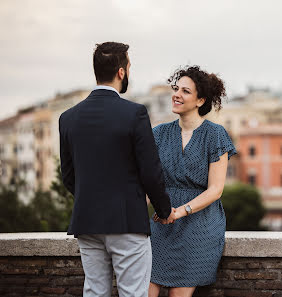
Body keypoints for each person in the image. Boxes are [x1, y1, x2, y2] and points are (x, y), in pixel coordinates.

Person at [59, 42, 175, 297]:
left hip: (87, 221)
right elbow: (150, 171)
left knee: (95, 292)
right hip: (127, 222)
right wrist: (163, 209)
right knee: (133, 293)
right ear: (122, 72)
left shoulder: (67, 117)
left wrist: (90, 199)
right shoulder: (134, 113)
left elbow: (67, 175)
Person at [149, 66, 236, 297]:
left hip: (199, 224)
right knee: (143, 289)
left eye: (185, 91)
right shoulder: (158, 134)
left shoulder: (216, 135)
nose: (176, 94)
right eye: (176, 88)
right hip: (161, 221)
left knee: (179, 293)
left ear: (201, 100)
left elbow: (215, 190)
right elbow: (149, 183)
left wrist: (180, 212)